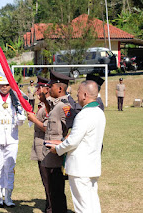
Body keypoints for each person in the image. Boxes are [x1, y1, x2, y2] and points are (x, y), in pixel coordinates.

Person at [45, 80, 106, 213]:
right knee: (92, 203)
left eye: (78, 93)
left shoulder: (84, 115)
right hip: (92, 166)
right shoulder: (99, 112)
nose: (77, 96)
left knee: (82, 206)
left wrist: (58, 149)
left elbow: (73, 141)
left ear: (84, 95)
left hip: (80, 169)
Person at [0, 76, 26, 208]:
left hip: (11, 137)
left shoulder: (17, 99)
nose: (4, 87)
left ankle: (8, 197)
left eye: (6, 85)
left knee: (10, 168)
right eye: (1, 85)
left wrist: (21, 119)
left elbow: (21, 118)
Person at [40, 70, 75, 213]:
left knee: (57, 192)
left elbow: (73, 129)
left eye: (51, 86)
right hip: (50, 156)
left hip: (56, 156)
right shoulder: (56, 104)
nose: (49, 89)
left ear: (60, 88)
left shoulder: (64, 106)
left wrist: (62, 144)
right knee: (52, 192)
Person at [27, 76, 53, 213]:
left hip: (46, 149)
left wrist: (33, 119)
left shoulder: (49, 105)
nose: (36, 92)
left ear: (46, 89)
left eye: (39, 89)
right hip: (40, 148)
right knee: (46, 182)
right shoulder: (42, 105)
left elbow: (48, 127)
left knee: (49, 182)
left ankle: (51, 208)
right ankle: (49, 206)